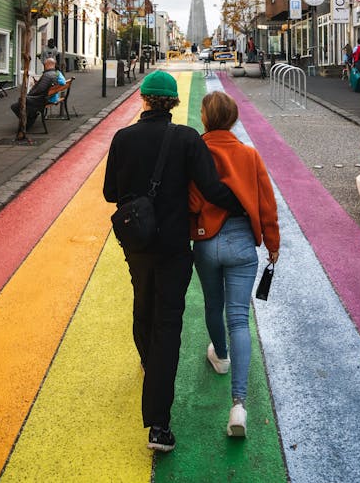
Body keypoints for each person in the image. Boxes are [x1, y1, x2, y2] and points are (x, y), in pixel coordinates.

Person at [103, 71, 244, 453]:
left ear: (144, 99)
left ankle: (153, 371)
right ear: (174, 103)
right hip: (174, 248)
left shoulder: (123, 138)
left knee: (142, 307)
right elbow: (213, 189)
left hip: (137, 244)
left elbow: (109, 193)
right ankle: (158, 427)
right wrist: (244, 204)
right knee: (168, 322)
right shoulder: (185, 139)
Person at [188, 91, 280, 438]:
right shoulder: (249, 155)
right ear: (233, 118)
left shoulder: (198, 153)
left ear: (205, 118)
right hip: (243, 242)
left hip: (207, 240)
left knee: (214, 304)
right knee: (239, 318)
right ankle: (239, 404)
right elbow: (267, 204)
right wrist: (272, 244)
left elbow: (192, 199)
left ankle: (221, 357)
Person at [10, 57, 60, 131]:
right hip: (46, 98)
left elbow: (40, 89)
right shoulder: (55, 74)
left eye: (44, 64)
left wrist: (29, 94)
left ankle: (28, 121)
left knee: (16, 105)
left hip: (40, 100)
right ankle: (31, 116)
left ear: (46, 65)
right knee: (21, 102)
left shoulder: (47, 75)